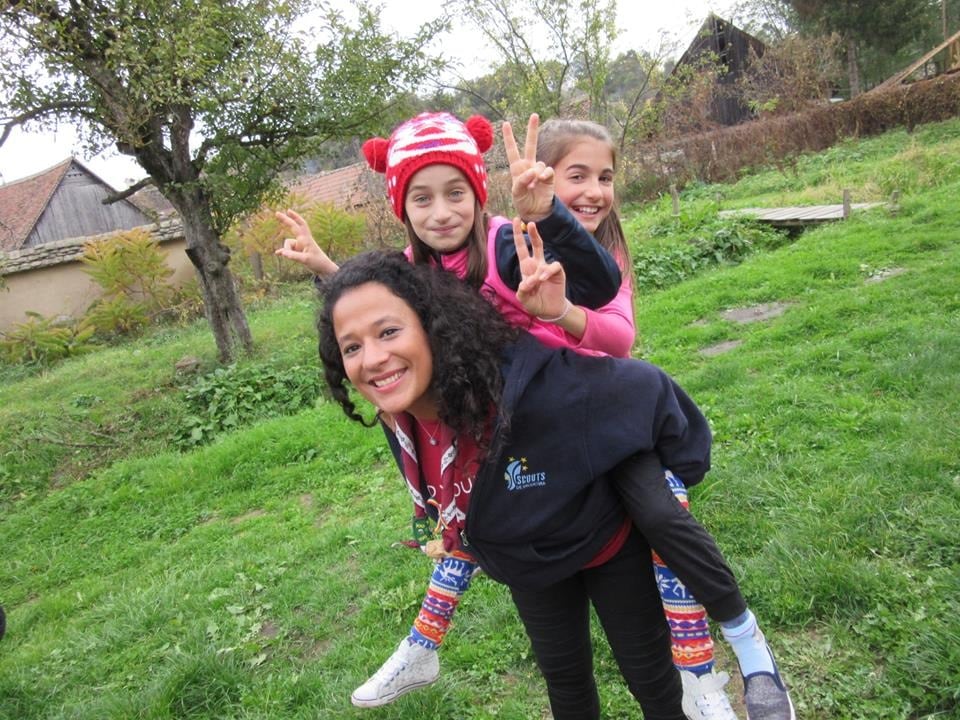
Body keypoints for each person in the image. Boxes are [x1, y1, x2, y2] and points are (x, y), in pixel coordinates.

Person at [279, 112, 794, 720]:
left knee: (658, 519)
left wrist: (551, 238)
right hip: (515, 449)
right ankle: (423, 641)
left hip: (591, 419)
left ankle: (735, 653)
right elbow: (379, 314)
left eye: (455, 194)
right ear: (401, 205)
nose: (441, 212)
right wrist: (325, 269)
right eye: (422, 198)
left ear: (477, 193)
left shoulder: (508, 242)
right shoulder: (412, 274)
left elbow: (607, 305)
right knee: (528, 625)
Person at [319, 248, 710, 719]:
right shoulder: (398, 421)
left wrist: (671, 479)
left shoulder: (514, 392)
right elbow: (447, 499)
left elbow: (641, 385)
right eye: (352, 347)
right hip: (528, 563)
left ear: (430, 326)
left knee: (650, 678)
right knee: (564, 679)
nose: (374, 359)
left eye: (388, 332)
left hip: (606, 544)